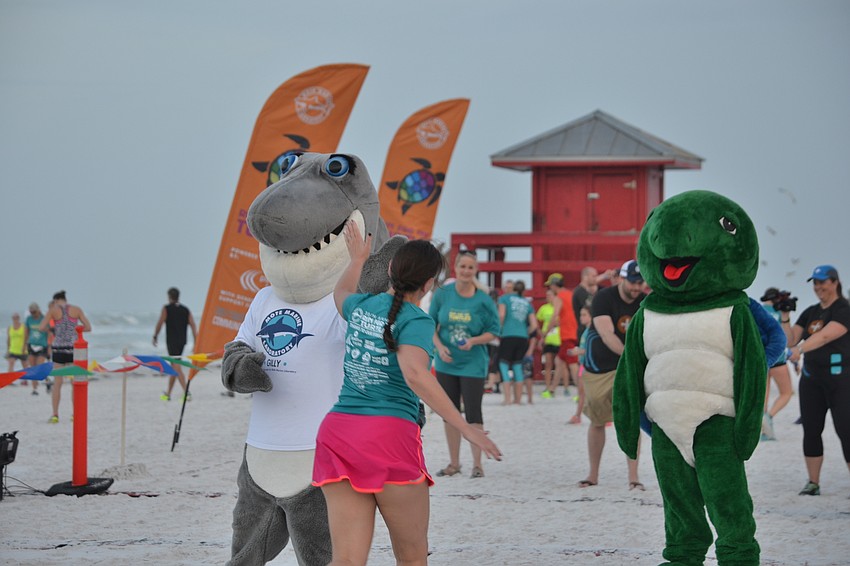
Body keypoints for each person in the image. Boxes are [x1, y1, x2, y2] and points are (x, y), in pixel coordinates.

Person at [313, 222, 502, 565]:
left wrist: (357, 259)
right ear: (430, 284)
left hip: (338, 434)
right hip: (388, 438)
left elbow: (339, 295)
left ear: (389, 269)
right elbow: (414, 374)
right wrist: (465, 427)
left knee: (347, 560)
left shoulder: (362, 306)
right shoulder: (417, 320)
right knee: (412, 557)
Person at [429, 250, 501, 478]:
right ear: (456, 268)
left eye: (471, 267)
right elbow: (430, 324)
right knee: (449, 413)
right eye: (463, 267)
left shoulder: (483, 299)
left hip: (473, 364)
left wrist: (474, 341)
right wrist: (439, 348)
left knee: (473, 413)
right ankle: (454, 463)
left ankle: (477, 464)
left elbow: (494, 331)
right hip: (446, 363)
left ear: (476, 270)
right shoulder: (442, 294)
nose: (466, 271)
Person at [782, 265, 850, 496]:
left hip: (841, 379)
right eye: (815, 283)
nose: (818, 287)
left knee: (846, 430)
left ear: (835, 282)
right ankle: (813, 483)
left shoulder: (843, 309)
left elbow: (826, 335)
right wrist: (784, 316)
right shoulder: (810, 312)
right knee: (811, 430)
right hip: (811, 380)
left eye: (822, 282)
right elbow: (790, 339)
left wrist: (800, 349)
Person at [580, 260, 646, 489]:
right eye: (633, 282)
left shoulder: (644, 302)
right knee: (597, 418)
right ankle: (593, 475)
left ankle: (633, 477)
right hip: (599, 365)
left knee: (630, 419)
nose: (637, 287)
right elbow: (607, 334)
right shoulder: (603, 298)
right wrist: (632, 356)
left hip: (628, 365)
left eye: (640, 282)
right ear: (621, 278)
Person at [39, 290, 91, 423]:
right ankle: (75, 414)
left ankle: (55, 414)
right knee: (75, 382)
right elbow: (88, 327)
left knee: (58, 383)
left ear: (56, 301)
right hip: (74, 349)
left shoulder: (53, 310)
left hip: (58, 349)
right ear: (65, 299)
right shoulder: (76, 309)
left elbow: (41, 327)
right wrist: (74, 329)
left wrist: (54, 330)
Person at [758, 287, 795, 440]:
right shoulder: (780, 311)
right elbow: (787, 337)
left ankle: (764, 432)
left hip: (763, 357)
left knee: (763, 397)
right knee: (786, 393)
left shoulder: (758, 310)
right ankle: (770, 417)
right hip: (778, 357)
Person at [153, 287, 198, 401]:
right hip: (182, 341)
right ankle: (168, 393)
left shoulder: (167, 309)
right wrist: (195, 340)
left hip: (172, 341)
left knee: (176, 365)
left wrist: (155, 336)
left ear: (169, 297)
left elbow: (160, 322)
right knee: (175, 364)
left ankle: (186, 392)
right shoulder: (185, 310)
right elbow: (193, 325)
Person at [497, 280, 538, 405]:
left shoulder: (504, 298)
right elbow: (534, 325)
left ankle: (507, 398)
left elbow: (502, 315)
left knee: (503, 364)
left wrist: (500, 329)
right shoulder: (527, 303)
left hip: (508, 335)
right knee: (517, 365)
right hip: (522, 337)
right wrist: (525, 331)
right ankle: (518, 399)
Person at [547, 273, 579, 398]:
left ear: (555, 285)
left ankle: (580, 391)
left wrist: (546, 332)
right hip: (574, 331)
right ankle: (552, 390)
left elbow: (555, 315)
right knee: (559, 361)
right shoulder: (570, 294)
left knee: (572, 364)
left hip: (567, 334)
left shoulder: (558, 297)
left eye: (550, 286)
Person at [566, 305, 592, 424]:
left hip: (588, 365)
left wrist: (578, 351)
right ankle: (578, 415)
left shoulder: (591, 331)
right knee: (581, 391)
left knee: (587, 392)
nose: (581, 317)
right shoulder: (586, 331)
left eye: (584, 315)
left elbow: (593, 349)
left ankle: (579, 415)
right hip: (583, 364)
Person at [537, 288, 563, 399]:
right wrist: (541, 335)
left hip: (559, 338)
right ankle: (548, 387)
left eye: (550, 295)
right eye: (547, 295)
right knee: (548, 364)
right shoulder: (544, 308)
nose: (548, 297)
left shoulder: (560, 307)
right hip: (548, 338)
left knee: (560, 364)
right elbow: (537, 321)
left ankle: (556, 386)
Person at [25, 303, 49, 395]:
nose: (32, 313)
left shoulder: (44, 318)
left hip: (42, 345)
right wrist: (24, 345)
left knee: (40, 367)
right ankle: (35, 389)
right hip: (31, 345)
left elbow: (49, 333)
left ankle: (47, 382)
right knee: (33, 368)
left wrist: (50, 347)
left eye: (34, 312)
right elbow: (26, 332)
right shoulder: (29, 319)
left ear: (38, 310)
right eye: (31, 312)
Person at [6, 313, 28, 381]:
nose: (15, 319)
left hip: (22, 349)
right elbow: (8, 339)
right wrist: (8, 349)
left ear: (19, 318)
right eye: (14, 318)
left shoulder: (23, 327)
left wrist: (24, 347)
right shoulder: (10, 328)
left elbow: (26, 338)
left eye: (16, 318)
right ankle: (10, 380)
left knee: (25, 365)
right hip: (13, 349)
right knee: (11, 364)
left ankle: (25, 380)